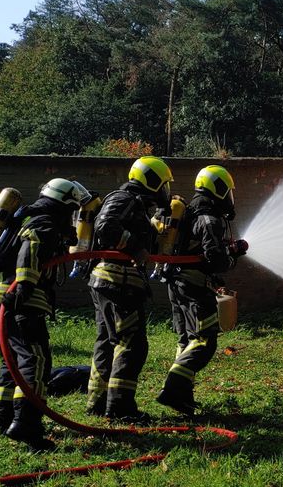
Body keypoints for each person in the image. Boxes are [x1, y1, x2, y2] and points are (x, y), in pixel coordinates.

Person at [0, 178, 91, 451]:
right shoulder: (44, 221)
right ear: (65, 203)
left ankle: (2, 419)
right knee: (35, 361)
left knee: (11, 362)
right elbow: (32, 246)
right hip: (19, 301)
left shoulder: (23, 216)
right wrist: (26, 285)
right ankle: (27, 425)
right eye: (73, 208)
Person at [86, 156, 173, 421]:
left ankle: (98, 403)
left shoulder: (135, 204)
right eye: (163, 184)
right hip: (118, 281)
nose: (165, 191)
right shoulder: (124, 199)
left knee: (107, 341)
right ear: (151, 181)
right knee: (132, 343)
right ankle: (120, 407)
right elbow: (105, 226)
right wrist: (135, 247)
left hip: (111, 280)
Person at [156, 165, 247, 415]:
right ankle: (173, 388)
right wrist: (233, 253)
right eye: (226, 191)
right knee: (205, 340)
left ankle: (182, 397)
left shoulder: (190, 213)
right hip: (193, 287)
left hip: (178, 284)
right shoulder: (208, 219)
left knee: (187, 339)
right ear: (218, 190)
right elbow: (214, 258)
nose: (229, 198)